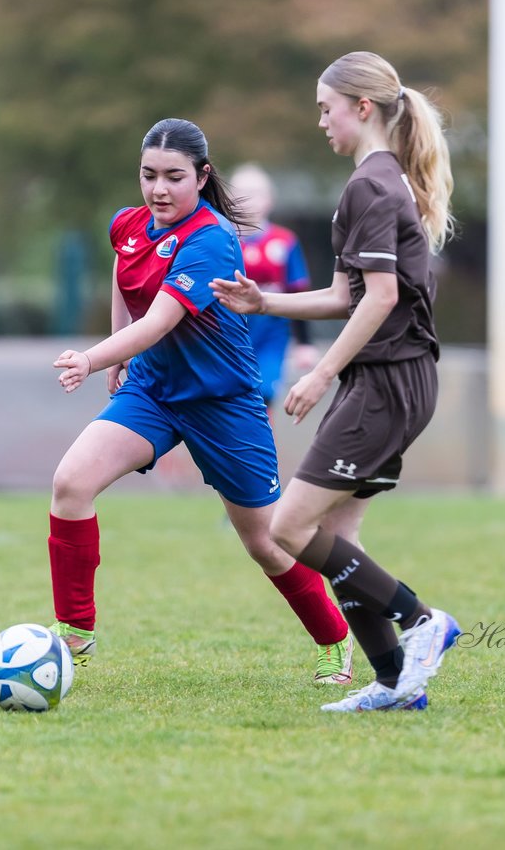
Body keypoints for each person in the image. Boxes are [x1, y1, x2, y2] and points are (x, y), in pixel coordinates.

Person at [48, 117, 353, 685]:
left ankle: (335, 640)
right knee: (71, 484)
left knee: (265, 541)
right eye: (148, 175)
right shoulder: (130, 224)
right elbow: (123, 270)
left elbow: (161, 320)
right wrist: (117, 359)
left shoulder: (211, 239)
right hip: (154, 393)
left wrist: (92, 357)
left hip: (223, 404)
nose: (158, 189)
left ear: (201, 176)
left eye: (173, 177)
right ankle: (74, 632)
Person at [210, 52, 460, 712]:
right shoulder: (381, 181)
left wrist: (321, 372)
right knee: (338, 539)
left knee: (286, 530)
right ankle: (391, 682)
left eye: (326, 108)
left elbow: (377, 299)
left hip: (385, 384)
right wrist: (264, 303)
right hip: (387, 381)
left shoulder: (371, 186)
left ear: (362, 108)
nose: (320, 120)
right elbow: (345, 294)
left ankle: (423, 620)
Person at [229, 164, 320, 413]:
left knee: (261, 398)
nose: (248, 201)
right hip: (230, 336)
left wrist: (304, 343)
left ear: (269, 199)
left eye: (256, 193)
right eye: (241, 193)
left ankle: (261, 451)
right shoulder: (222, 240)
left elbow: (298, 292)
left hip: (271, 338)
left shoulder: (284, 242)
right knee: (230, 402)